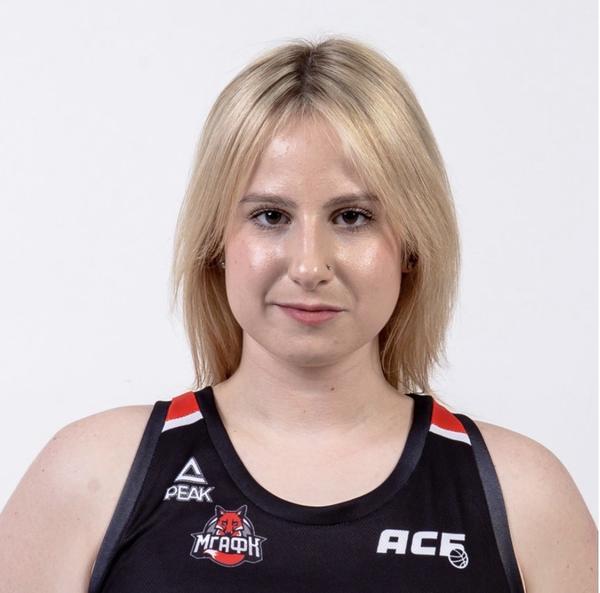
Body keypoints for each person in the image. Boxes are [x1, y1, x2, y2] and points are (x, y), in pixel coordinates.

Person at [0, 35, 596, 593]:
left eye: (353, 216)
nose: (310, 265)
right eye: (270, 216)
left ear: (413, 245)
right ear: (216, 242)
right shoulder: (91, 480)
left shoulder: (525, 499)